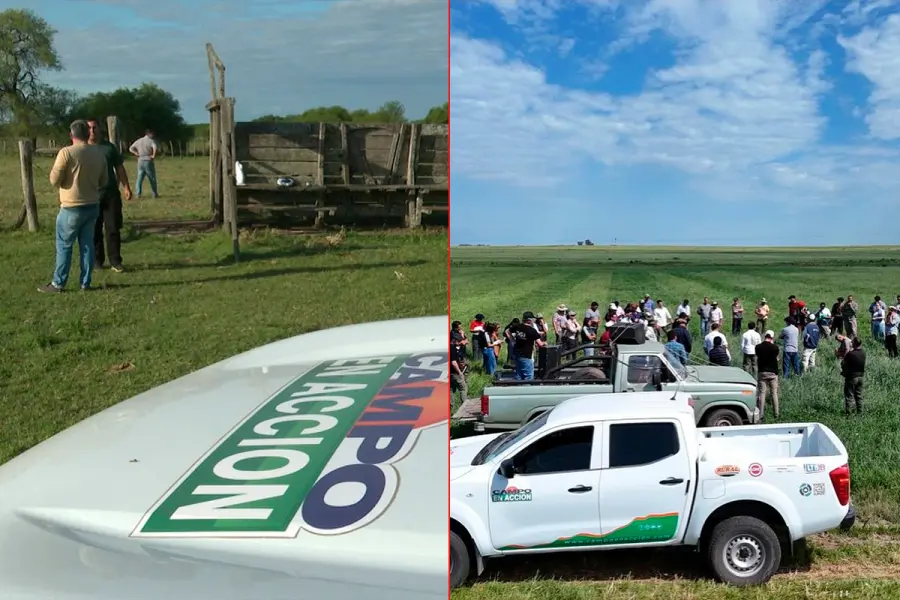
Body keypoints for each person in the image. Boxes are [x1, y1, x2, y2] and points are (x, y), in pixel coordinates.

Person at [39, 120, 108, 293]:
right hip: (92, 205)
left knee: (64, 245)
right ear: (88, 134)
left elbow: (54, 180)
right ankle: (85, 283)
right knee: (87, 245)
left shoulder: (66, 153)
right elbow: (104, 181)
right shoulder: (99, 153)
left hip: (71, 207)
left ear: (71, 135)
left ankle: (58, 283)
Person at [87, 118, 133, 273]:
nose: (92, 131)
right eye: (89, 128)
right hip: (91, 196)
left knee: (113, 228)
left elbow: (119, 168)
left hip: (111, 194)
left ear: (100, 129)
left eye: (94, 128)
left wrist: (126, 186)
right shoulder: (82, 149)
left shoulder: (109, 148)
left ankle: (116, 261)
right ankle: (97, 261)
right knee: (95, 230)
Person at [509, 312, 546, 380]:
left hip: (517, 354)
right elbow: (540, 344)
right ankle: (526, 389)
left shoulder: (518, 326)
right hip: (526, 356)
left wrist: (513, 341)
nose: (534, 320)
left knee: (519, 375)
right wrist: (544, 343)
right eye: (532, 319)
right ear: (529, 320)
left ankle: (517, 388)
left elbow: (507, 331)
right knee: (528, 376)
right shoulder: (532, 330)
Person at [755, 330, 780, 420]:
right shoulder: (775, 347)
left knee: (762, 393)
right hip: (773, 373)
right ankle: (776, 413)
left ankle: (761, 414)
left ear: (765, 336)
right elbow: (777, 358)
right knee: (774, 393)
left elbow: (758, 356)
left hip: (762, 372)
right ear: (772, 338)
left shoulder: (758, 347)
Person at [129, 129, 160, 197]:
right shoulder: (151, 141)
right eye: (152, 134)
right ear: (149, 134)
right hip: (148, 160)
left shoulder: (139, 140)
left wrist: (136, 153)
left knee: (139, 178)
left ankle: (138, 193)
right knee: (152, 178)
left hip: (140, 160)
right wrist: (153, 155)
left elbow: (130, 148)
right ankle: (155, 194)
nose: (153, 135)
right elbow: (155, 147)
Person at [841, 337, 865, 415]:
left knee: (849, 396)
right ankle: (860, 412)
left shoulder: (851, 354)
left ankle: (848, 414)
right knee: (859, 396)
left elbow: (844, 363)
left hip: (852, 377)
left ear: (854, 343)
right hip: (861, 376)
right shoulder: (863, 353)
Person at [450, 322, 468, 404]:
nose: (460, 342)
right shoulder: (452, 348)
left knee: (450, 389)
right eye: (458, 341)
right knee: (463, 388)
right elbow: (453, 362)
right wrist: (460, 372)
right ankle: (464, 404)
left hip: (450, 373)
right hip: (455, 372)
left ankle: (451, 405)